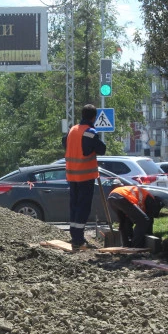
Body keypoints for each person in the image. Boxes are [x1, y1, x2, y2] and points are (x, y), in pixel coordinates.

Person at [62, 103, 106, 250]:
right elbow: (101, 149)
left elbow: (65, 144)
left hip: (71, 175)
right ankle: (79, 239)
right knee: (83, 207)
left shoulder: (72, 130)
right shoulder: (90, 132)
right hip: (85, 176)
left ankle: (74, 235)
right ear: (94, 117)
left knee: (74, 205)